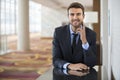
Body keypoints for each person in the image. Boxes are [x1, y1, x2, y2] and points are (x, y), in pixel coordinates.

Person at [52, 2, 97, 71]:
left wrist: (84, 42)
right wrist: (70, 65)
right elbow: (55, 60)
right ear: (68, 16)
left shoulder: (91, 34)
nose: (75, 17)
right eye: (72, 14)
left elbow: (91, 63)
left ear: (83, 16)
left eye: (78, 14)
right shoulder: (58, 32)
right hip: (63, 75)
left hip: (83, 75)